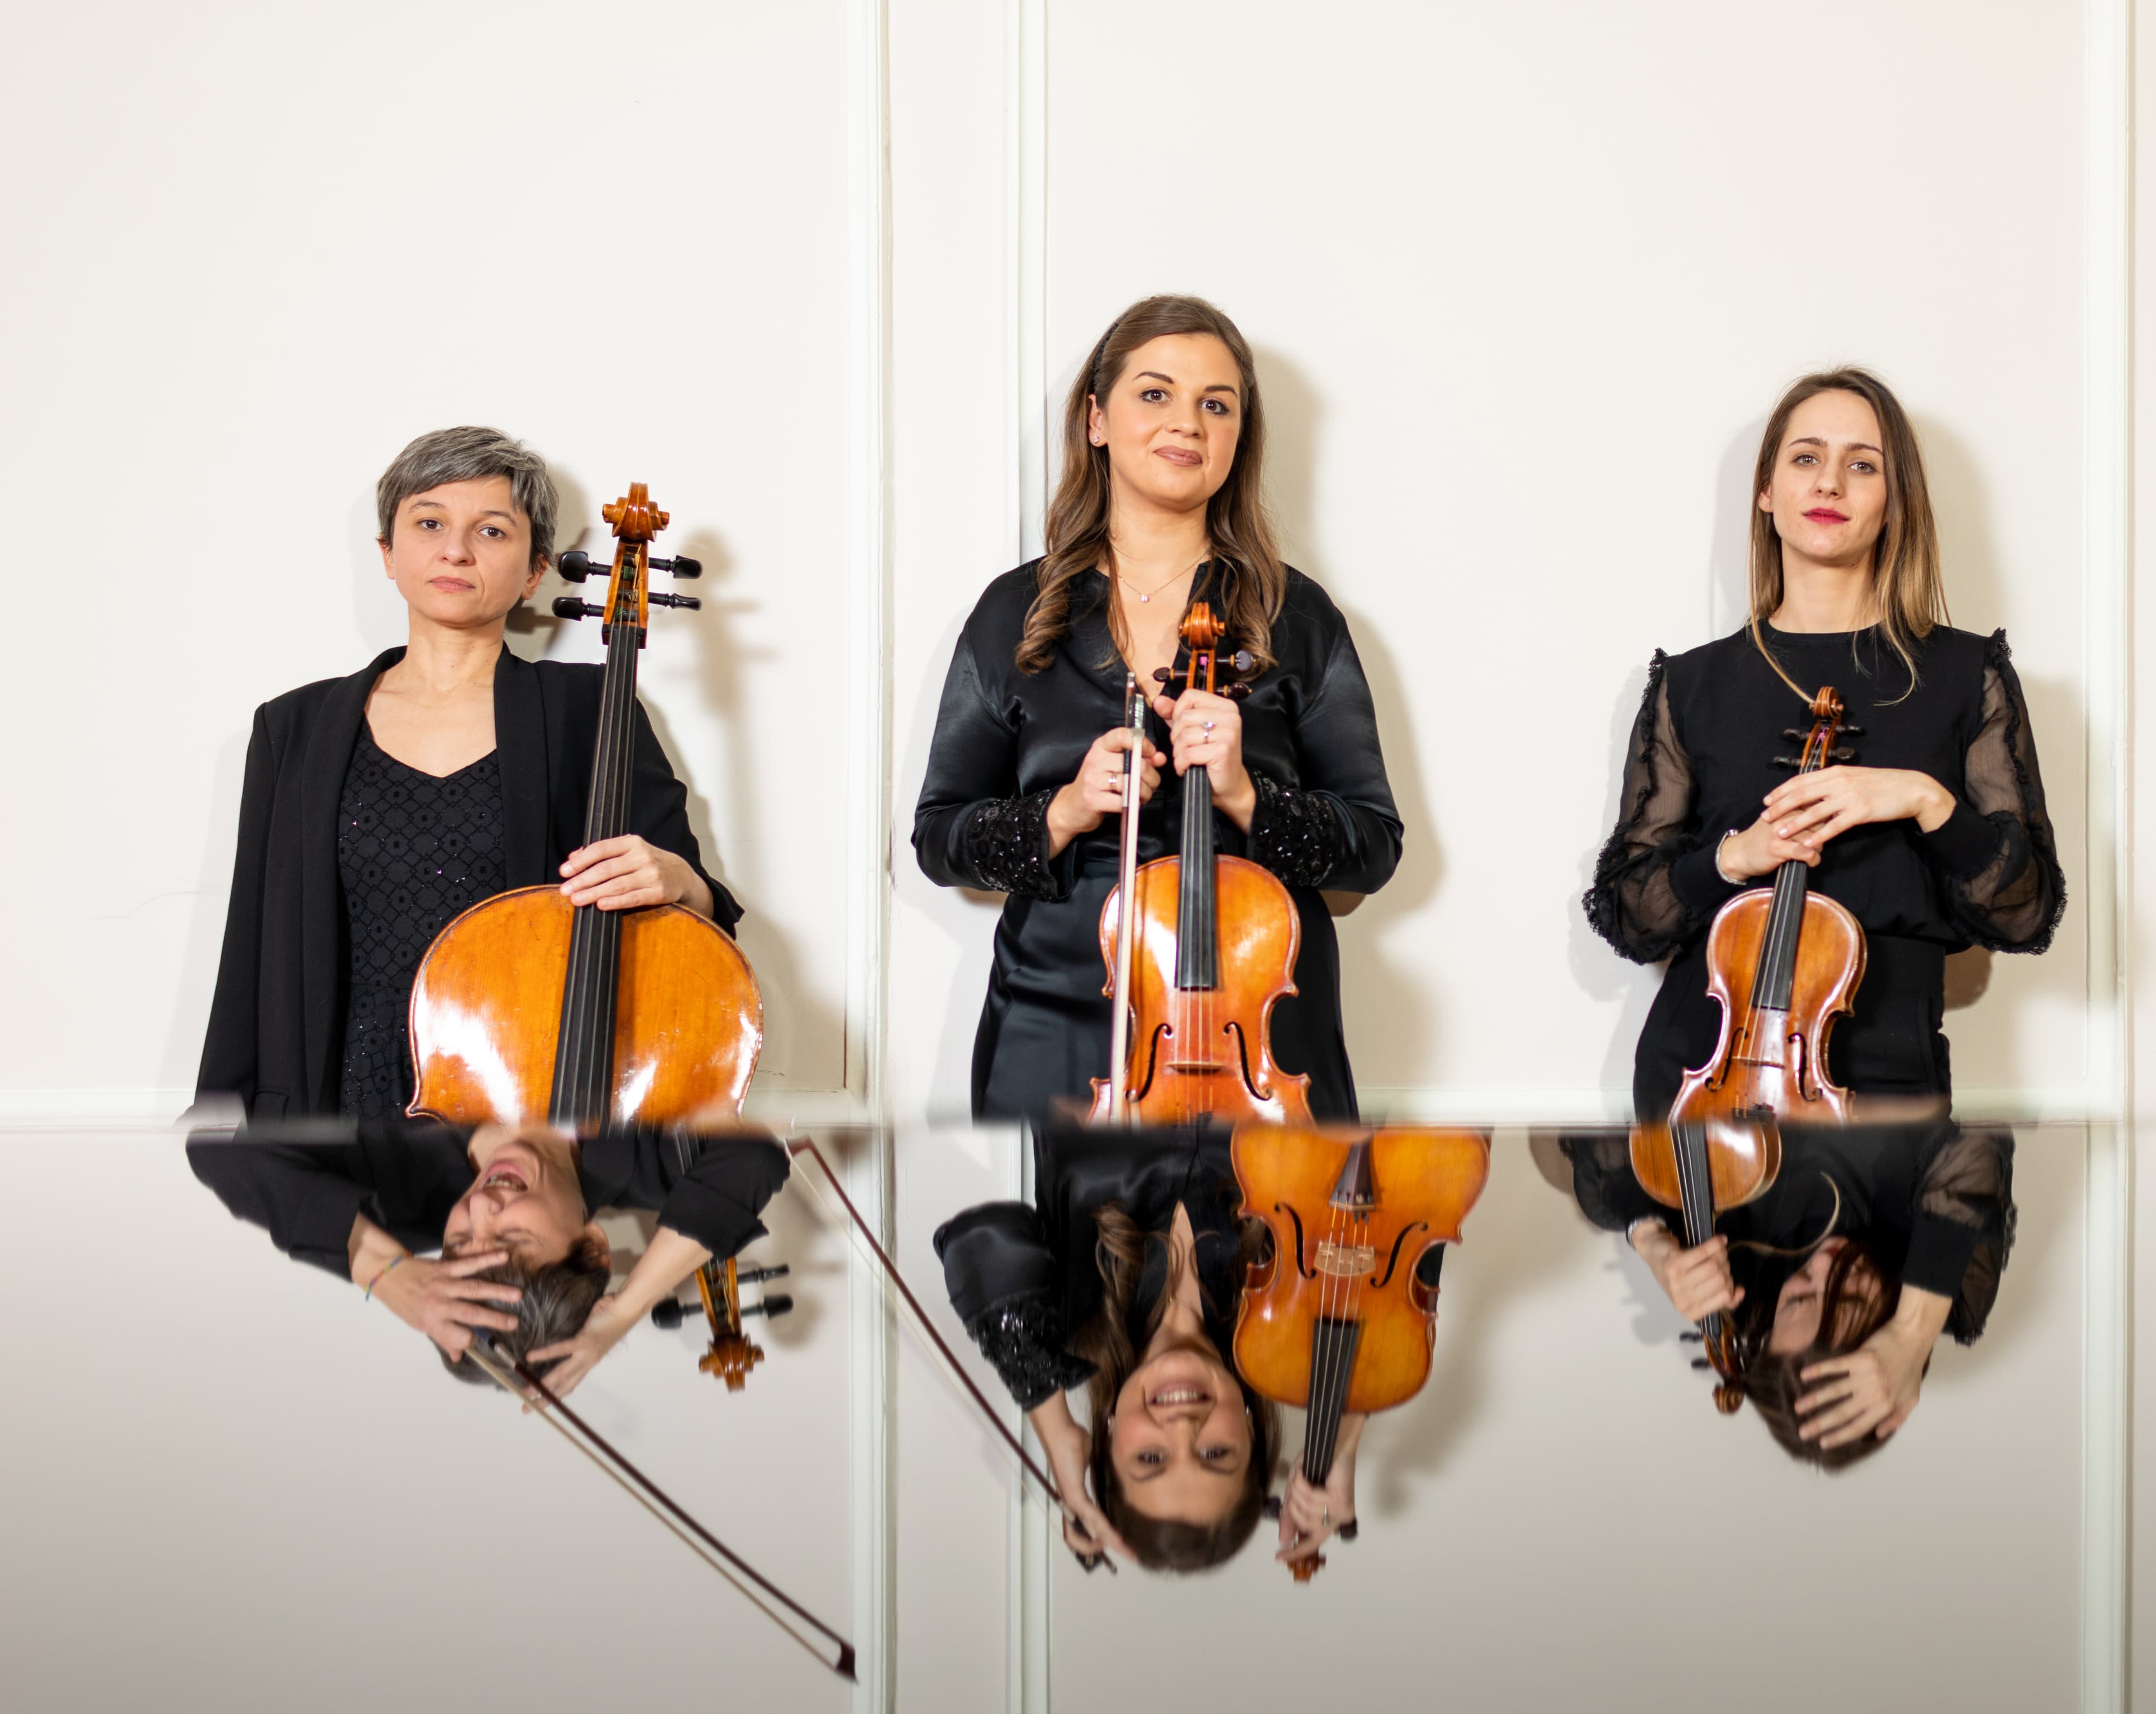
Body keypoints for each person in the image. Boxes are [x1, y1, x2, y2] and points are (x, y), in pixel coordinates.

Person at [911, 296, 1403, 1120]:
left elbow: (1374, 848)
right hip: (1059, 1017)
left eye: (1217, 404)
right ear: (1096, 419)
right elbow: (939, 838)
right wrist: (1064, 810)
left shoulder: (1296, 615)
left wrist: (1246, 795)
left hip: (1256, 1030)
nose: (1188, 423)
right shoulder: (1015, 611)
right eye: (1154, 393)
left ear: (1239, 436)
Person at [198, 426, 738, 1121]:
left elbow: (694, 922)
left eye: (491, 530)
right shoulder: (293, 728)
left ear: (535, 570)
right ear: (387, 553)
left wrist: (680, 880)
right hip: (333, 1115)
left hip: (525, 1108)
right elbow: (251, 945)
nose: (455, 550)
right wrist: (221, 1128)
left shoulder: (590, 711)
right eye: (429, 523)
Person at [1586, 367, 2062, 1117]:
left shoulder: (1965, 674)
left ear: (1895, 500)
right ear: (1766, 491)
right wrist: (1734, 857)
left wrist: (1924, 798)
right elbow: (1630, 914)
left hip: (1893, 1076)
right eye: (1805, 457)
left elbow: (2024, 911)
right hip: (1708, 1074)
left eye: (1862, 465)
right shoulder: (1693, 684)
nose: (1829, 483)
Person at [187, 1118, 790, 1394]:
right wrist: (624, 1312)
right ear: (594, 1245)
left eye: (457, 1242)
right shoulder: (656, 1159)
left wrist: (382, 1272)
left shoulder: (396, 1190)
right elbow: (754, 1159)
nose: (479, 1208)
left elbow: (216, 1145)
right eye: (510, 1239)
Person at [1561, 1121, 2014, 1468]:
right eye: (1849, 1298)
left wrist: (1652, 1241)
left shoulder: (1742, 1288)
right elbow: (1974, 1137)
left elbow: (1607, 1149)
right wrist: (1913, 1333)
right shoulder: (1948, 1298)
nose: (1823, 1266)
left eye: (1798, 1297)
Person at [936, 1125, 1281, 1572]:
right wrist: (1341, 1446)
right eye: (1216, 1453)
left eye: (1151, 1457)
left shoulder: (1072, 1321)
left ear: (1110, 1439)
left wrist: (1057, 1429)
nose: (1183, 1427)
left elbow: (976, 1239)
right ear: (1251, 1433)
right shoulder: (1292, 1310)